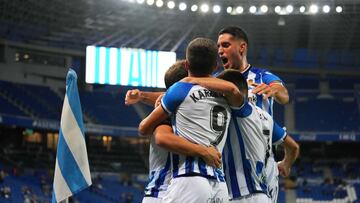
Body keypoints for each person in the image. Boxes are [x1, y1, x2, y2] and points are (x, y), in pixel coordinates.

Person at [139, 38, 243, 203]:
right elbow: (234, 91)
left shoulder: (179, 92)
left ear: (187, 65)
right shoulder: (227, 97)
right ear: (215, 66)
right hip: (220, 184)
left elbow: (144, 129)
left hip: (189, 178)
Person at [184, 69, 299, 202]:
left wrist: (189, 82)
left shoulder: (238, 112)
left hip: (242, 195)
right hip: (261, 193)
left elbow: (233, 91)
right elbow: (293, 147)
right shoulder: (266, 117)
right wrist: (286, 164)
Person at [217, 26, 298, 202]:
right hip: (229, 163)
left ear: (242, 47)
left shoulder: (262, 76)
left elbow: (284, 95)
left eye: (225, 45)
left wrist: (273, 89)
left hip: (264, 164)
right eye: (218, 47)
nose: (220, 50)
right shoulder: (217, 81)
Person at [131, 60, 222, 203]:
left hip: (173, 190)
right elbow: (161, 137)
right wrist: (204, 151)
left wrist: (142, 96)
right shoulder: (168, 114)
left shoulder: (175, 109)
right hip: (162, 192)